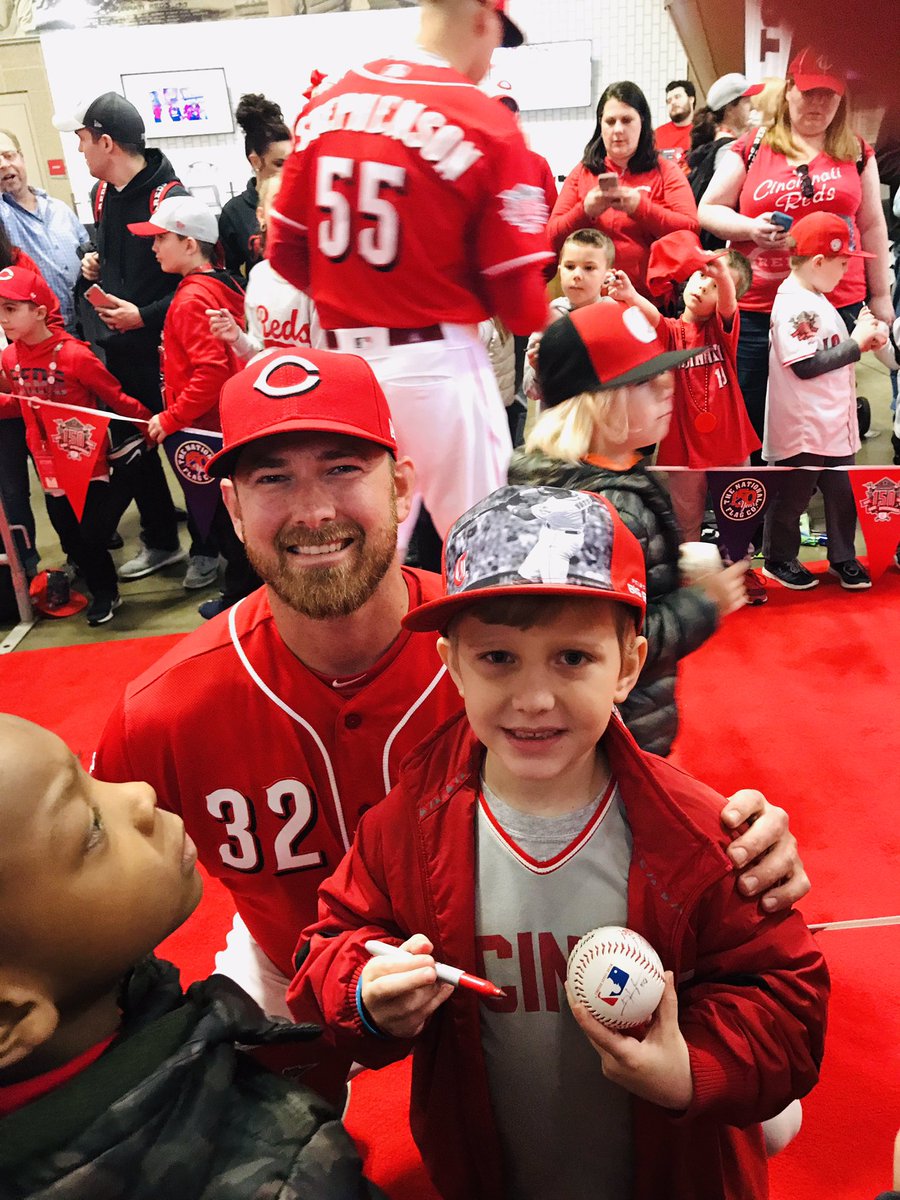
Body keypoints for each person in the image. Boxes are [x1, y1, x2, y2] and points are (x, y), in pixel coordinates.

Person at [92, 345, 810, 1042]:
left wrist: (740, 847)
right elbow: (87, 902)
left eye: (343, 469)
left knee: (767, 1122)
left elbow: (637, 793)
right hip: (293, 973)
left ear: (403, 485)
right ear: (233, 507)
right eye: (272, 479)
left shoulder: (498, 644)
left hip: (499, 966)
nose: (313, 511)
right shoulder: (164, 708)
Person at [288, 483, 829, 1200]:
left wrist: (689, 1066)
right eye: (498, 659)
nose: (534, 698)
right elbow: (332, 943)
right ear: (451, 663)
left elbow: (787, 1004)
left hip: (675, 1177)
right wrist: (363, 991)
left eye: (572, 658)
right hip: (489, 1172)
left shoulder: (700, 837)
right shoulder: (410, 824)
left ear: (629, 665)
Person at [0, 714, 383, 1199]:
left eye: (89, 777)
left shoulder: (106, 994)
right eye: (91, 829)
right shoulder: (283, 1175)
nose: (140, 792)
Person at [267, 0, 554, 551]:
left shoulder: (329, 100)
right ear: (481, 17)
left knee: (362, 560)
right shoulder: (484, 119)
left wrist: (355, 295)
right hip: (438, 364)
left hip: (344, 369)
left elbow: (283, 249)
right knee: (480, 550)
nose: (492, 57)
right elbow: (520, 305)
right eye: (497, 38)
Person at [508, 299, 749, 755]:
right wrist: (704, 603)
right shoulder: (610, 506)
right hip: (616, 731)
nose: (668, 390)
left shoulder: (571, 474)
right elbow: (607, 648)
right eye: (646, 383)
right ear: (601, 405)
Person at [698, 48, 893, 458]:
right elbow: (709, 208)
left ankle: (806, 497)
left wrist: (882, 298)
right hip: (758, 306)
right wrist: (750, 228)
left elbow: (873, 224)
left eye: (830, 94)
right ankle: (754, 504)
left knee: (824, 406)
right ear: (788, 91)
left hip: (838, 301)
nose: (819, 103)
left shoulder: (855, 151)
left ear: (842, 99)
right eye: (808, 92)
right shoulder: (754, 146)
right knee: (752, 404)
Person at [54, 91, 186, 580]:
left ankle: (214, 547)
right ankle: (162, 540)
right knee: (135, 450)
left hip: (169, 351)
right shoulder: (102, 194)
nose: (79, 148)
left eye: (82, 139)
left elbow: (203, 285)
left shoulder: (170, 198)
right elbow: (117, 259)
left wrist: (143, 316)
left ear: (106, 142)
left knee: (186, 446)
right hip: (120, 352)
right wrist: (95, 263)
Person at [127, 194, 259, 612]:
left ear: (189, 243)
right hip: (225, 420)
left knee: (223, 516)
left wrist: (171, 416)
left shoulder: (190, 300)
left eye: (160, 238)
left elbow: (210, 374)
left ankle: (242, 597)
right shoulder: (222, 282)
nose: (152, 248)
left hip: (204, 428)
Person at [0, 265, 152, 626]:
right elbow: (21, 403)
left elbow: (114, 396)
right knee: (67, 532)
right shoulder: (10, 358)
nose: (2, 319)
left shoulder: (74, 355)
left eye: (10, 308)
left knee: (92, 532)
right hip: (47, 465)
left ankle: (105, 591)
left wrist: (152, 424)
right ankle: (87, 571)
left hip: (88, 462)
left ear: (39, 312)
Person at [761, 211, 888, 592]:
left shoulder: (814, 297)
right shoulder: (795, 305)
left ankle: (843, 557)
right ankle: (778, 558)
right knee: (794, 495)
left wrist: (859, 334)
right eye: (843, 263)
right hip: (805, 424)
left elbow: (827, 349)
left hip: (832, 420)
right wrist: (857, 343)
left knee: (841, 491)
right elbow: (805, 366)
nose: (847, 272)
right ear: (818, 262)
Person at [605, 249, 761, 533]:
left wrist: (721, 274)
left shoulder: (722, 329)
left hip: (730, 442)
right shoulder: (671, 330)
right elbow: (653, 317)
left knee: (737, 523)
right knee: (685, 524)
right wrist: (630, 295)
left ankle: (740, 573)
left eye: (714, 285)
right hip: (683, 447)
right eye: (701, 276)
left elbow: (729, 304)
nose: (704, 285)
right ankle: (689, 576)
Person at [548, 81, 700, 298]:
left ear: (642, 122)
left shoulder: (665, 171)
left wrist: (640, 208)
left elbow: (690, 229)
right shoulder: (582, 172)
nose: (618, 129)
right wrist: (585, 211)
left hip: (649, 302)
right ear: (600, 125)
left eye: (627, 120)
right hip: (590, 302)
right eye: (610, 121)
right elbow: (552, 235)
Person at [0, 224, 65, 578]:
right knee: (11, 492)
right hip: (3, 411)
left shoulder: (18, 264)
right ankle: (23, 570)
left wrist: (22, 355)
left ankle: (84, 552)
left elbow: (51, 317)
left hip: (41, 394)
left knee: (62, 483)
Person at [209, 174, 321, 361]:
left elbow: (331, 360)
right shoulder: (260, 276)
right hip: (272, 385)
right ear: (261, 215)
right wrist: (237, 338)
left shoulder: (324, 280)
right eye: (280, 202)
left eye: (300, 202)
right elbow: (258, 353)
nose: (290, 210)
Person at [0, 128, 89, 332]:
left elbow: (88, 253)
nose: (3, 164)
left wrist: (91, 262)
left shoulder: (60, 209)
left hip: (83, 327)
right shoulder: (3, 215)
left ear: (21, 157)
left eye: (9, 155)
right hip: (35, 334)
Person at [522, 228, 615, 404]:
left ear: (607, 275)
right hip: (559, 426)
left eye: (589, 268)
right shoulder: (547, 320)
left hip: (604, 423)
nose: (577, 275)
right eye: (570, 266)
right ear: (559, 270)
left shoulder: (614, 317)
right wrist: (538, 369)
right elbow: (530, 390)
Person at [218, 93, 292, 281]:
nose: (289, 171)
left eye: (294, 162)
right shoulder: (234, 212)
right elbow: (229, 274)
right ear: (256, 161)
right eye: (279, 163)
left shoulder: (304, 200)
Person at [686, 75, 761, 236]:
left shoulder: (709, 146)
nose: (752, 106)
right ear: (730, 108)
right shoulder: (729, 150)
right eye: (746, 101)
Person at [654, 78, 696, 169]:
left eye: (677, 97)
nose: (673, 102)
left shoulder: (703, 131)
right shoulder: (657, 134)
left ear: (691, 99)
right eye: (668, 101)